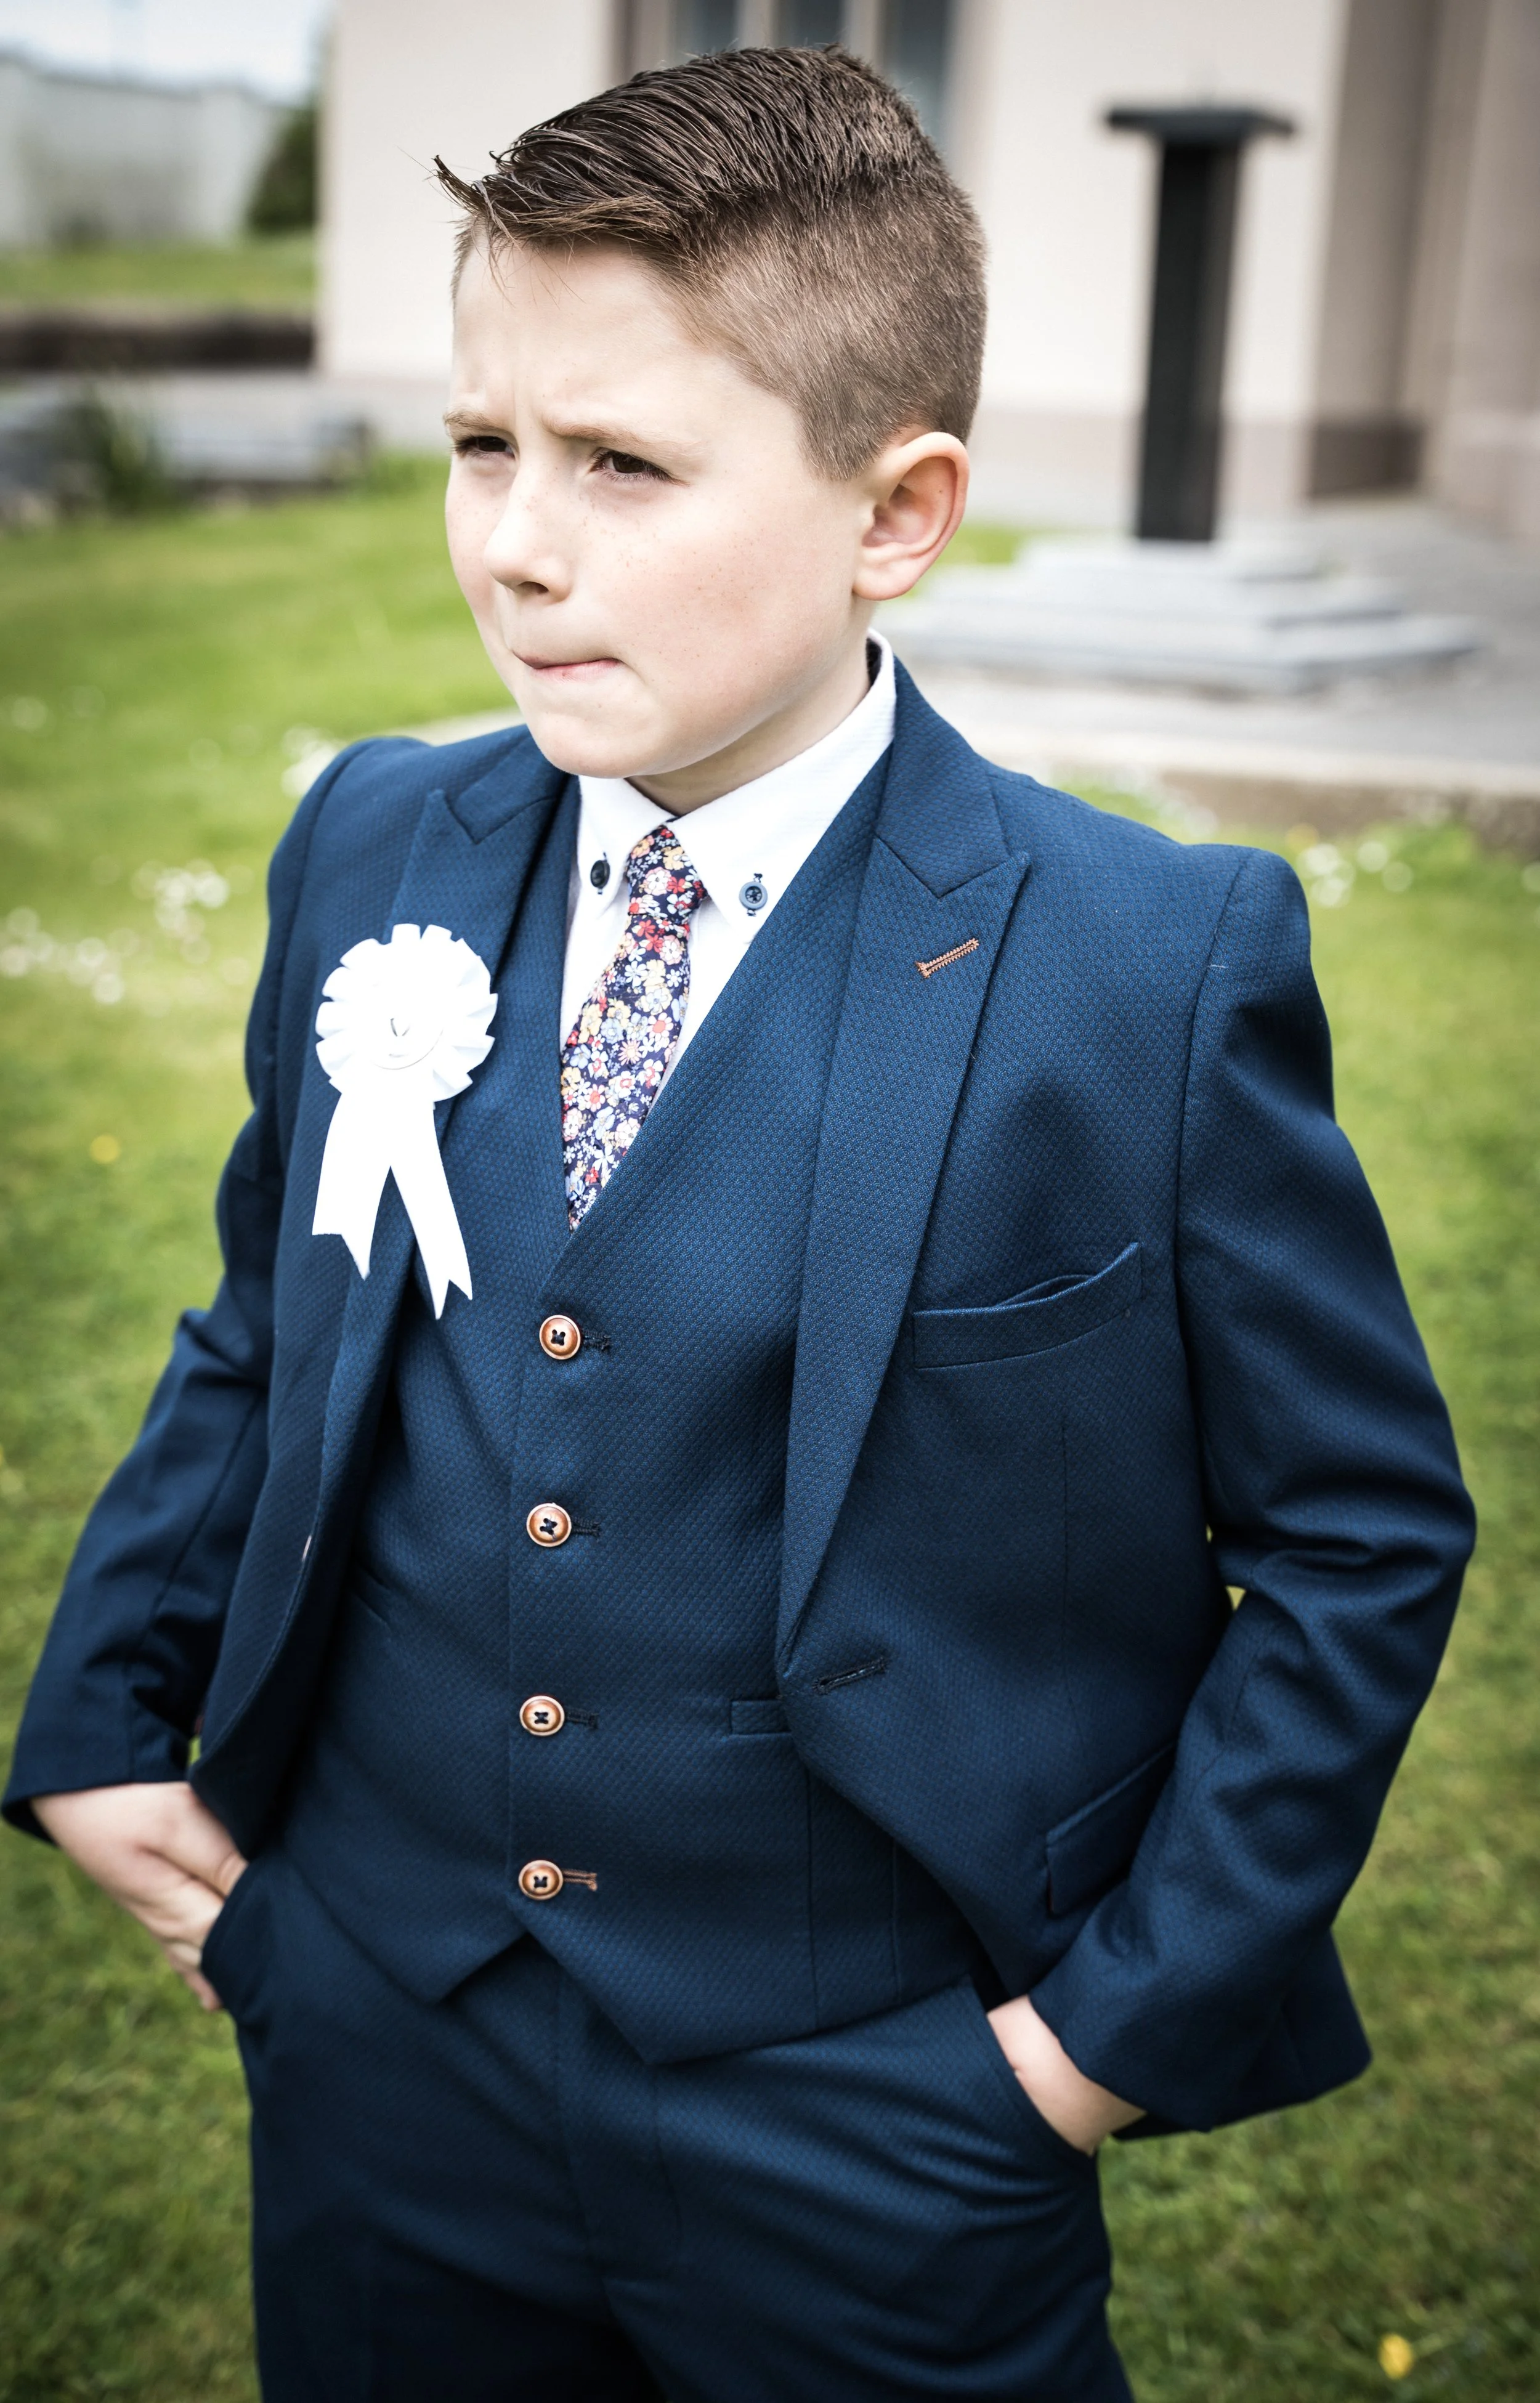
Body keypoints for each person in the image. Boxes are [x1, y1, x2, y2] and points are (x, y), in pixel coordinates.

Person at [4, 45, 1473, 2403]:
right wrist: (103, 1710)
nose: (513, 541)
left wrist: (1077, 2051)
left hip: (875, 2103)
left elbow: (1356, 1537)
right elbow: (269, 1317)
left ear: (898, 512)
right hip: (383, 2026)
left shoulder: (1138, 959)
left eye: (621, 466)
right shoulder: (375, 844)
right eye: (485, 444)